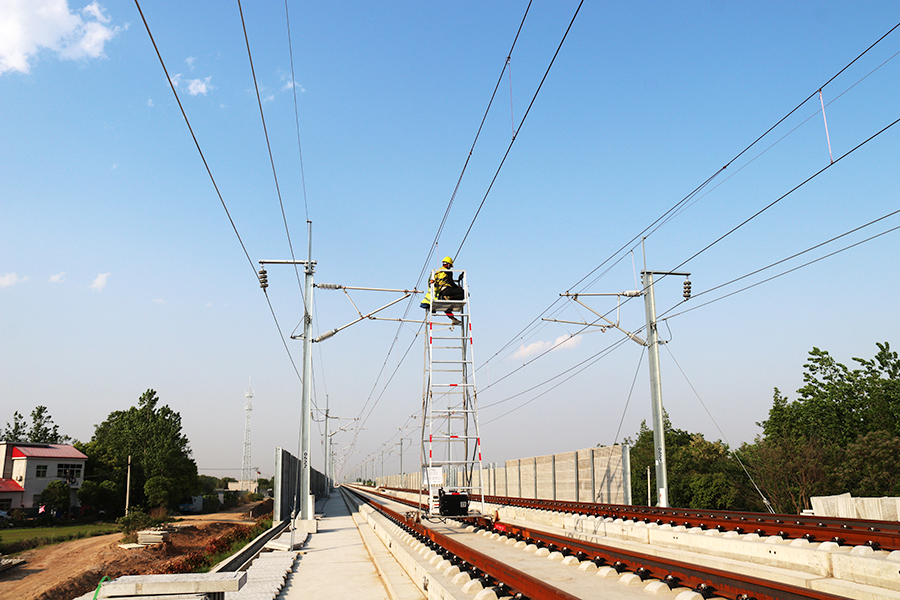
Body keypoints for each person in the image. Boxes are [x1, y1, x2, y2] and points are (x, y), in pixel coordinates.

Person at [420, 256, 463, 325]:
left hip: (439, 293)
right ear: (448, 264)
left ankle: (453, 318)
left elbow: (432, 282)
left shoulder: (437, 272)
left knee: (446, 307)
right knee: (462, 294)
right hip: (446, 290)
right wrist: (458, 287)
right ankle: (448, 298)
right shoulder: (447, 271)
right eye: (450, 265)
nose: (450, 267)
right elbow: (451, 282)